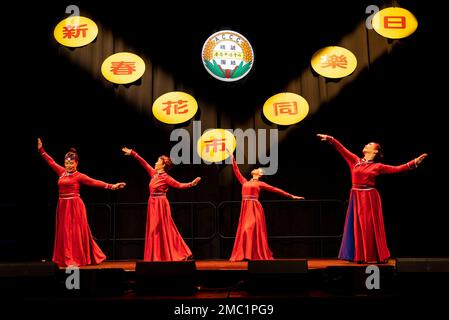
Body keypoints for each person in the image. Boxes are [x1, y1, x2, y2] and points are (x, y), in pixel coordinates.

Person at [317, 134, 427, 263]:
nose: (366, 145)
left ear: (375, 151)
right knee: (357, 226)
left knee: (368, 226)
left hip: (369, 197)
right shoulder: (355, 161)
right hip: (356, 197)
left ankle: (371, 256)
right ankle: (359, 256)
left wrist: (413, 162)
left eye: (369, 144)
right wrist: (331, 139)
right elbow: (342, 150)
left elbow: (396, 169)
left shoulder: (377, 166)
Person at [38, 138, 126, 267]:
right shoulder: (61, 172)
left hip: (74, 206)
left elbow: (94, 182)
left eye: (71, 163)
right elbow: (51, 162)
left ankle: (74, 258)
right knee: (64, 233)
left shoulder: (79, 176)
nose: (68, 165)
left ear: (76, 163)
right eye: (66, 163)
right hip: (62, 206)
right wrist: (41, 150)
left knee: (75, 233)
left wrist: (112, 186)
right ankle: (65, 258)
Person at [122, 147, 201, 261]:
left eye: (158, 161)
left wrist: (191, 184)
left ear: (163, 165)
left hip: (161, 205)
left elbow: (179, 185)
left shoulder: (166, 178)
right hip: (152, 204)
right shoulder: (154, 174)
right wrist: (133, 153)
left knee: (163, 229)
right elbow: (144, 163)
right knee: (153, 231)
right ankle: (157, 256)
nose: (155, 162)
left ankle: (180, 253)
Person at [227, 149, 304, 261]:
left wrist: (291, 196)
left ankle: (250, 255)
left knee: (249, 229)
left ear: (260, 174)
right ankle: (245, 255)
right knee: (244, 231)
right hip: (246, 208)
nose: (255, 169)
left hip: (254, 208)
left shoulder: (260, 183)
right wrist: (232, 158)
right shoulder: (245, 182)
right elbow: (236, 171)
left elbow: (275, 189)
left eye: (258, 169)